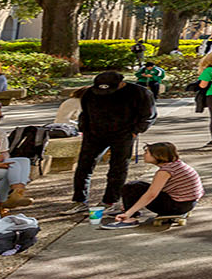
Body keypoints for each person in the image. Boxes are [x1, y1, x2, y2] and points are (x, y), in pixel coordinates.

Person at [66, 72, 156, 214]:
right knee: (84, 166)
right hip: (94, 134)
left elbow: (149, 114)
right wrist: (84, 129)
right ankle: (79, 200)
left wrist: (135, 131)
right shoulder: (90, 93)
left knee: (118, 168)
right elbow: (85, 113)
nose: (104, 93)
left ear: (121, 83)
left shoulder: (139, 92)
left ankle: (110, 201)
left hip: (123, 134)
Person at [101, 142, 204, 228]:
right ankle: (129, 211)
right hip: (188, 204)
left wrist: (128, 212)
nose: (144, 154)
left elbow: (151, 194)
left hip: (176, 206)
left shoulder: (165, 171)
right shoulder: (176, 165)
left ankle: (129, 218)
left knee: (132, 187)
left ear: (157, 156)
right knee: (137, 185)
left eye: (147, 153)